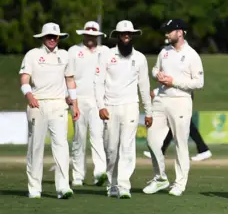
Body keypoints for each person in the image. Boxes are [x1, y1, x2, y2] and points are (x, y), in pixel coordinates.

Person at [143, 19, 204, 196]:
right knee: (152, 140)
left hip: (181, 101)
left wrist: (174, 82)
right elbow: (154, 70)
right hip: (161, 100)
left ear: (180, 32)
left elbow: (199, 83)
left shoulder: (192, 55)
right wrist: (158, 75)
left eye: (169, 31)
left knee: (181, 143)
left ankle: (179, 183)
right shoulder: (165, 52)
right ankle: (160, 177)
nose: (166, 34)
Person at [19, 22, 80, 199]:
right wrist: (28, 95)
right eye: (49, 37)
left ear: (59, 38)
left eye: (55, 37)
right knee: (35, 147)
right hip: (37, 104)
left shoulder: (64, 55)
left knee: (61, 145)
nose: (52, 39)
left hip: (59, 105)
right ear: (43, 37)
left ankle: (62, 187)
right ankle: (34, 188)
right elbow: (24, 79)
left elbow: (70, 80)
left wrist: (74, 104)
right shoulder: (33, 55)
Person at [95, 20, 152, 198]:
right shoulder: (106, 55)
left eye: (129, 34)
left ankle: (124, 186)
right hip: (110, 106)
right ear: (118, 36)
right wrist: (101, 106)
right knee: (111, 148)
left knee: (127, 146)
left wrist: (148, 112)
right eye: (123, 34)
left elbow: (144, 86)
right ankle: (112, 183)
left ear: (132, 36)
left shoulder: (140, 58)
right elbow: (98, 82)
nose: (126, 36)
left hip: (131, 106)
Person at [143, 38, 212, 162]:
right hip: (170, 96)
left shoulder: (186, 55)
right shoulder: (166, 55)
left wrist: (156, 92)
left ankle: (202, 149)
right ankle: (202, 149)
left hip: (182, 95)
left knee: (181, 125)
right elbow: (162, 77)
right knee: (178, 125)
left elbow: (176, 79)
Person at [66, 21, 109, 187]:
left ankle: (100, 172)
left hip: (99, 100)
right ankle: (78, 175)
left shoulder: (105, 51)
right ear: (83, 34)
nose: (91, 37)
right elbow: (67, 76)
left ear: (98, 35)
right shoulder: (74, 51)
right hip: (78, 99)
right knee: (79, 137)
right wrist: (67, 96)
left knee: (97, 136)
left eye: (94, 35)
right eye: (88, 34)